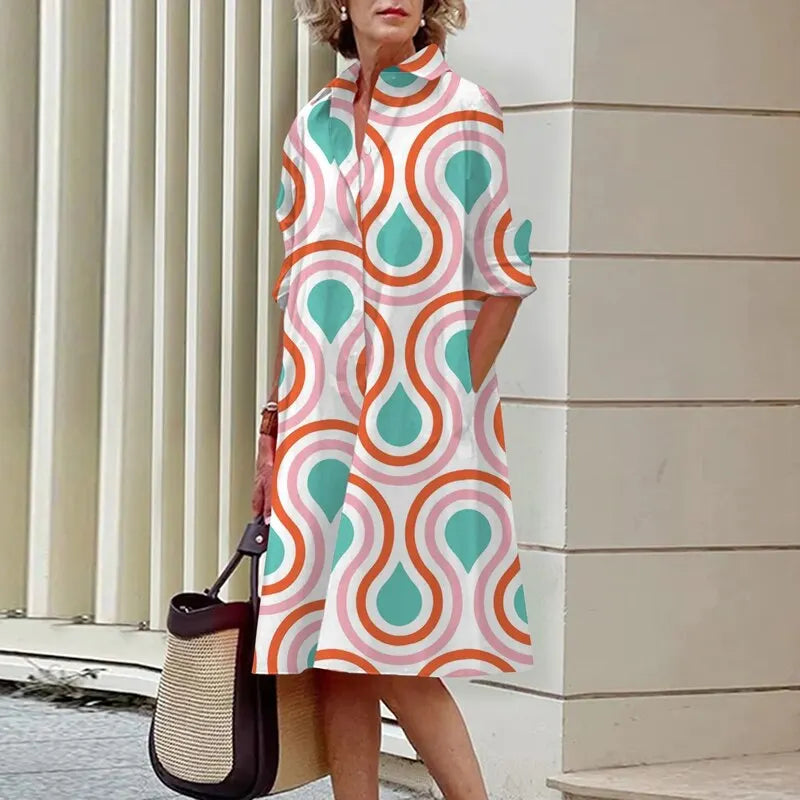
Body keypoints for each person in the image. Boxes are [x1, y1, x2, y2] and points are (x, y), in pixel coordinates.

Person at [252, 2, 537, 798]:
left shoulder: (464, 111)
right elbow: (298, 291)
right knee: (335, 654)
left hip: (418, 431)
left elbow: (505, 277)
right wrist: (273, 428)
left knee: (393, 651)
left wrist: (449, 399)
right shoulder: (312, 127)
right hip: (316, 423)